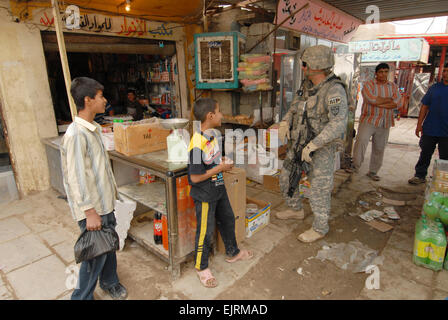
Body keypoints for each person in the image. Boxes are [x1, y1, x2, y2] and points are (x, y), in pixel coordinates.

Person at [271, 45, 349, 243]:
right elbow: (295, 106)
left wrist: (314, 145)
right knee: (287, 177)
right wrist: (285, 121)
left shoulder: (334, 90)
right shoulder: (306, 85)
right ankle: (295, 209)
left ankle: (320, 227)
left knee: (319, 189)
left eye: (305, 64)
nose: (303, 68)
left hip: (320, 149)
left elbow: (338, 123)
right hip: (298, 143)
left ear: (317, 65)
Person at [60, 77, 127, 300]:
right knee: (94, 255)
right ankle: (81, 297)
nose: (105, 100)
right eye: (100, 96)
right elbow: (77, 178)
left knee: (107, 246)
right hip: (93, 209)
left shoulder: (94, 128)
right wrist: (89, 212)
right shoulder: (76, 134)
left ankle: (110, 282)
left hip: (104, 203)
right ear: (88, 100)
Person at [188, 98, 253, 288]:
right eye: (219, 111)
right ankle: (201, 267)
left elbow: (212, 162)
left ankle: (233, 252)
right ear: (210, 116)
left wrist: (221, 162)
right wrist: (220, 168)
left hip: (218, 188)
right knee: (206, 233)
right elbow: (195, 178)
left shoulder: (212, 135)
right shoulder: (196, 144)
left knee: (228, 219)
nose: (222, 115)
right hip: (205, 195)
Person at [349, 63, 401, 181]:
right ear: (376, 73)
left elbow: (398, 102)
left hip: (384, 122)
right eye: (381, 72)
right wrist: (389, 100)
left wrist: (380, 101)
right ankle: (355, 166)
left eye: (386, 72)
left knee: (379, 147)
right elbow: (371, 100)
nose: (383, 74)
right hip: (369, 119)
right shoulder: (369, 85)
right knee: (361, 141)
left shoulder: (392, 86)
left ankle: (373, 171)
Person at [408, 65, 448, 185]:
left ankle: (441, 180)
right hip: (430, 128)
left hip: (446, 132)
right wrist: (419, 125)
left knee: (445, 158)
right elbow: (424, 106)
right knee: (425, 153)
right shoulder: (434, 88)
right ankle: (419, 175)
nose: (446, 73)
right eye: (445, 71)